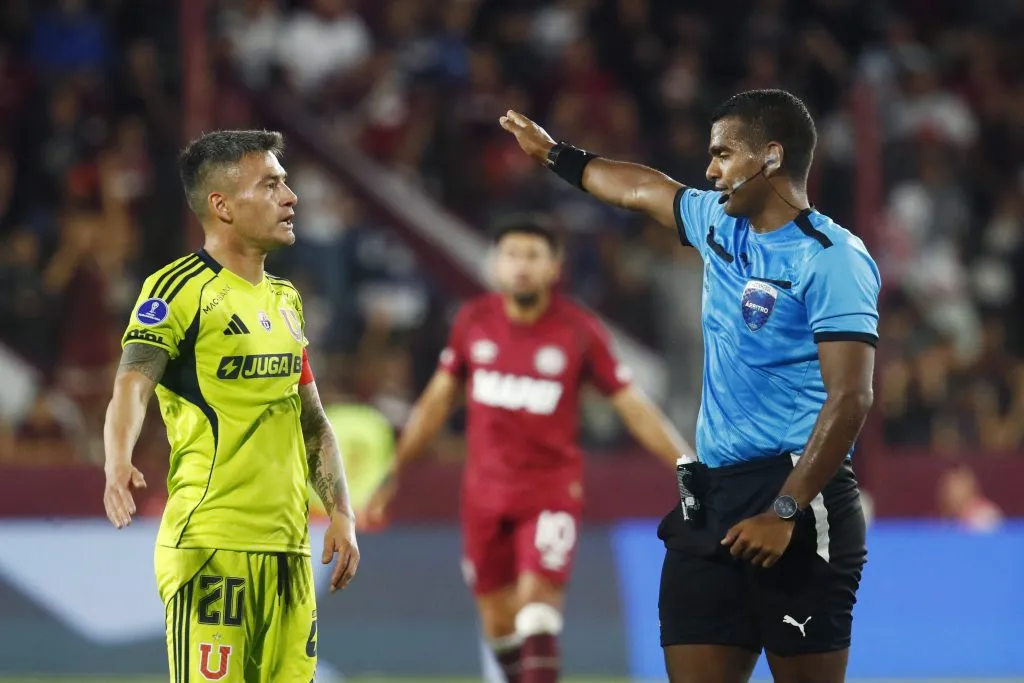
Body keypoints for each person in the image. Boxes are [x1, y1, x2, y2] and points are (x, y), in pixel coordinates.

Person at [499, 89, 879, 683]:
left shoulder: (832, 258)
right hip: (714, 496)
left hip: (800, 496)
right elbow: (641, 189)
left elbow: (851, 397)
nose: (709, 170)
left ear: (771, 158)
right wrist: (555, 155)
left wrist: (786, 509)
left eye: (723, 154)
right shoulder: (717, 224)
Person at [363, 217, 693, 683]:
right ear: (497, 264)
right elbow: (437, 400)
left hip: (550, 493)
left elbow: (633, 406)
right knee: (499, 626)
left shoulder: (578, 330)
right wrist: (396, 469)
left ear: (554, 266)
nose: (521, 266)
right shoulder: (473, 322)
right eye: (512, 255)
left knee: (538, 611)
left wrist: (686, 461)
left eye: (533, 256)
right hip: (483, 496)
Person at [102, 130, 360, 682]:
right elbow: (132, 384)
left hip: (290, 553)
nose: (291, 197)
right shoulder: (175, 289)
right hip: (211, 547)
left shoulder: (286, 300)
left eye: (286, 182)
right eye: (271, 185)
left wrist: (341, 510)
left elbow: (311, 419)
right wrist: (117, 459)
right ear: (221, 205)